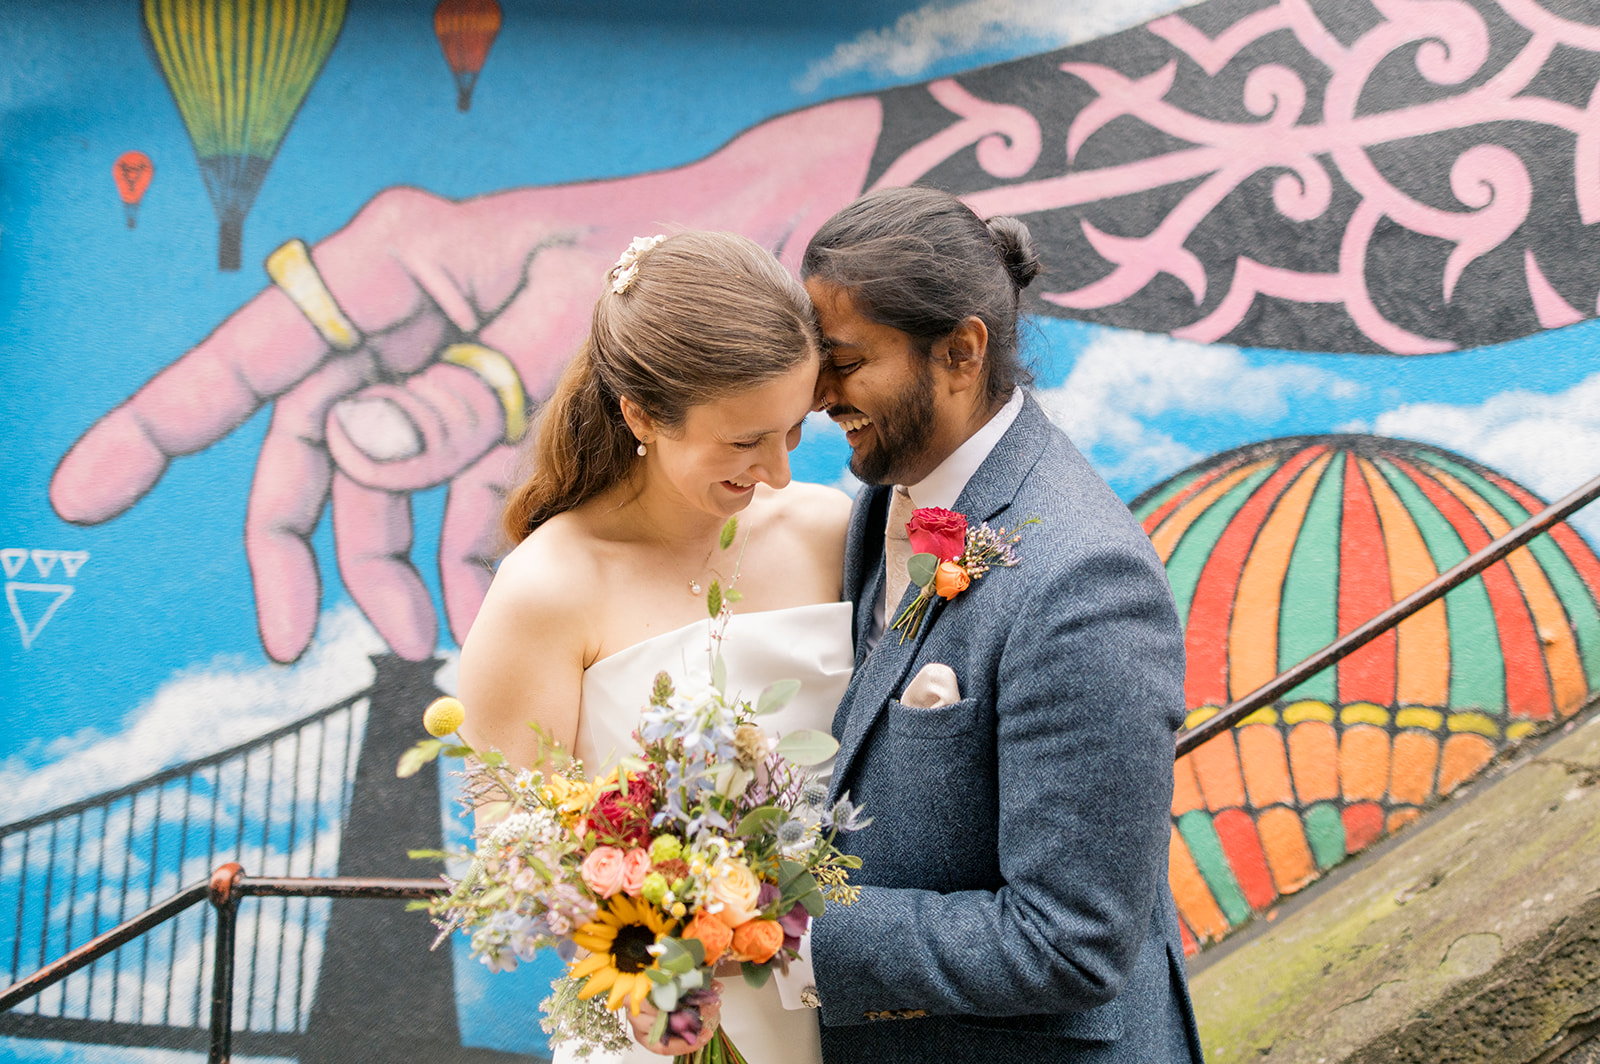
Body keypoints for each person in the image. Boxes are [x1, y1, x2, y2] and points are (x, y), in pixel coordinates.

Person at [782, 186, 1205, 1063]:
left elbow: (1068, 942)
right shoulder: (881, 504)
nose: (818, 393)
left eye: (847, 360)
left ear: (961, 351)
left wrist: (784, 928)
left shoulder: (1087, 584)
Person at [455, 230, 852, 1064]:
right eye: (744, 442)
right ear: (640, 413)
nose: (777, 472)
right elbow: (509, 833)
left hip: (843, 1012)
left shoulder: (831, 532)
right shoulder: (544, 589)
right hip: (658, 1028)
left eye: (792, 432)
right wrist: (649, 971)